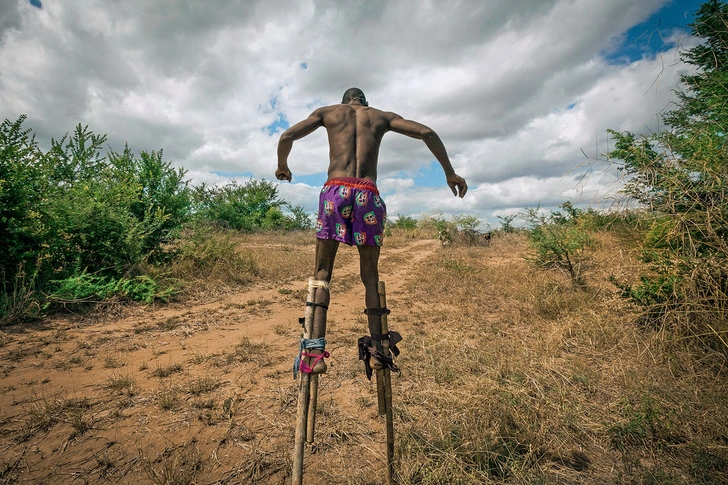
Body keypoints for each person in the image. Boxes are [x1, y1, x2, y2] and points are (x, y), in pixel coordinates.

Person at [276, 88, 467, 374]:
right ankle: (379, 352)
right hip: (368, 193)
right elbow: (427, 132)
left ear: (344, 102)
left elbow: (286, 136)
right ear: (365, 103)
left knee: (322, 273)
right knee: (370, 276)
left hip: (335, 191)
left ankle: (314, 355)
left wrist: (282, 166)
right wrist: (449, 172)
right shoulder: (381, 117)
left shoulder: (327, 113)